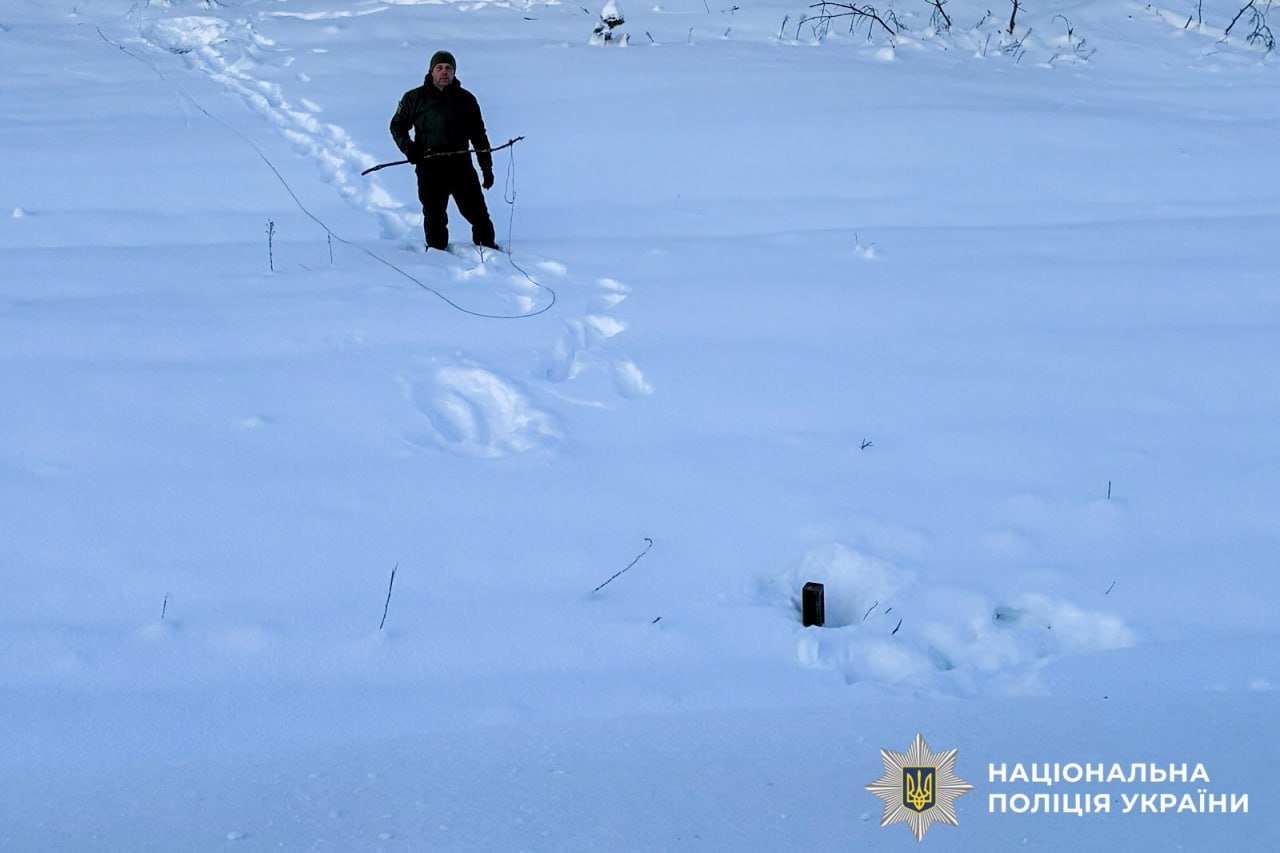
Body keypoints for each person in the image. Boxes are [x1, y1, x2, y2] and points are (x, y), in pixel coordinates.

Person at [390, 50, 499, 251]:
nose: (444, 72)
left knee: (477, 213)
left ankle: (488, 249)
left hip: (461, 165)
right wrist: (410, 149)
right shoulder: (414, 98)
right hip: (429, 166)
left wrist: (486, 167)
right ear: (431, 71)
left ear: (454, 72)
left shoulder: (466, 100)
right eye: (439, 68)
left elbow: (479, 135)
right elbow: (397, 126)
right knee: (434, 214)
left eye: (449, 68)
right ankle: (437, 254)